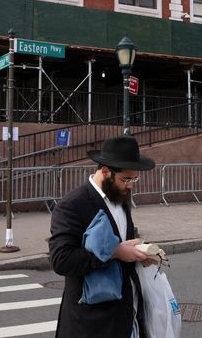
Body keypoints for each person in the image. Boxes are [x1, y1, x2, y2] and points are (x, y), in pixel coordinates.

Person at [49, 135, 157, 338]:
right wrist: (115, 252)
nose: (131, 185)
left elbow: (122, 244)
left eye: (134, 179)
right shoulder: (72, 205)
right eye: (126, 179)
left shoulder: (120, 198)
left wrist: (139, 254)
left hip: (126, 316)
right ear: (106, 172)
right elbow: (61, 260)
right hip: (92, 324)